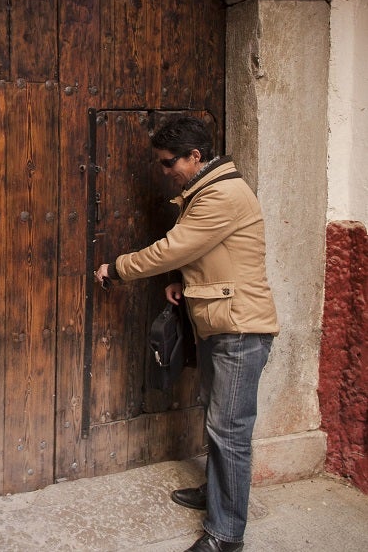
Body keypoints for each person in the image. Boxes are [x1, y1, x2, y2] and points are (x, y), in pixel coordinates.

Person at [94, 115, 279, 552]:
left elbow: (176, 246)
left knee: (229, 430)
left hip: (240, 327)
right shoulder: (205, 190)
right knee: (220, 424)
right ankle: (218, 496)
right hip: (221, 322)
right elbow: (207, 252)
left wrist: (118, 268)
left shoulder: (223, 194)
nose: (163, 171)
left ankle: (225, 534)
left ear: (196, 156)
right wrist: (186, 281)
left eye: (168, 162)